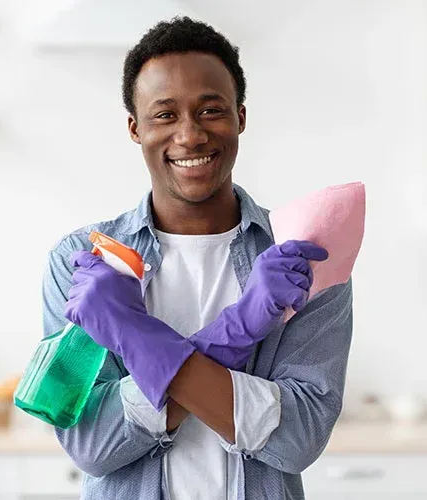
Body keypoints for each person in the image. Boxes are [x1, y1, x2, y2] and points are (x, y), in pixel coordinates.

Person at [43, 16, 353, 500]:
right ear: (135, 128)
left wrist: (133, 334)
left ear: (240, 117)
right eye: (165, 115)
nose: (190, 136)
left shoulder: (302, 255)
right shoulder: (82, 264)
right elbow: (90, 445)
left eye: (211, 110)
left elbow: (300, 438)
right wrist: (241, 327)